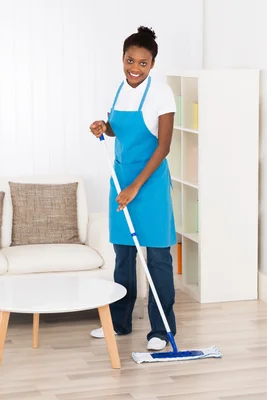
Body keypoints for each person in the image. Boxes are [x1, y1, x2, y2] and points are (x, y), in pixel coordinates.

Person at [88, 26, 177, 351]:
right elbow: (118, 131)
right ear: (123, 59)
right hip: (121, 181)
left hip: (149, 186)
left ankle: (161, 330)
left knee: (157, 258)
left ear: (152, 64)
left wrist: (137, 187)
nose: (134, 68)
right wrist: (104, 127)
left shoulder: (162, 93)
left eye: (143, 63)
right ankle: (120, 323)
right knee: (123, 256)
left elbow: (163, 146)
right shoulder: (117, 90)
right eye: (130, 60)